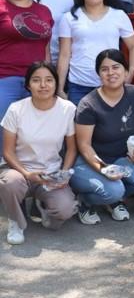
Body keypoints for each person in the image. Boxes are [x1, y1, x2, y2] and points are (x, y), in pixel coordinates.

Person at [70, 49, 134, 224]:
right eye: (104, 69)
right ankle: (86, 202)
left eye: (116, 67)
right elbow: (84, 146)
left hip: (120, 160)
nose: (111, 73)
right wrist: (103, 169)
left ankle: (112, 200)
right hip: (88, 164)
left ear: (125, 70)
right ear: (98, 74)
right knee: (114, 190)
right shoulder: (88, 104)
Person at [1, 62, 77, 245]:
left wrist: (64, 174)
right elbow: (7, 152)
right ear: (28, 85)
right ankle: (16, 221)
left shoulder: (67, 109)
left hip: (50, 173)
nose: (43, 85)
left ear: (56, 83)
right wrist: (27, 174)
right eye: (36, 80)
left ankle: (42, 206)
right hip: (19, 171)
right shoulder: (16, 109)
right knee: (9, 183)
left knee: (65, 210)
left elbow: (72, 149)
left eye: (49, 80)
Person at [56, 0, 134, 105]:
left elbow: (133, 47)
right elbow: (64, 54)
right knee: (79, 125)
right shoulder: (69, 18)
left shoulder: (119, 15)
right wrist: (59, 88)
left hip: (112, 82)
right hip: (79, 84)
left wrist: (129, 75)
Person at [0, 0, 53, 130]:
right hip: (5, 79)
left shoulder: (43, 11)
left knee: (36, 131)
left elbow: (46, 48)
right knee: (4, 132)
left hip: (38, 81)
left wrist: (50, 78)